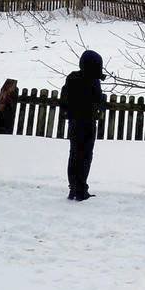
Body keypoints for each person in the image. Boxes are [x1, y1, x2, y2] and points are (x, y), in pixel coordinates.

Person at [60, 49, 107, 202]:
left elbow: (65, 98)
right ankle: (81, 188)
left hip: (73, 121)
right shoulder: (93, 80)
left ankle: (73, 187)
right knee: (85, 155)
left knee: (74, 153)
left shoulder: (72, 77)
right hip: (87, 122)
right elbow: (98, 99)